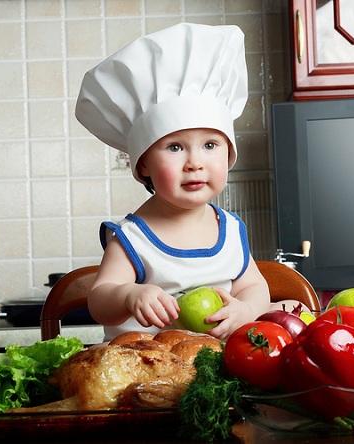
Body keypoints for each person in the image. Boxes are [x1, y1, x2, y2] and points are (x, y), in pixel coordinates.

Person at [75, 23, 270, 341]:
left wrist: (246, 310)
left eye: (210, 145)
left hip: (212, 375)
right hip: (141, 373)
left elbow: (254, 286)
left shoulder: (231, 230)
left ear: (229, 152)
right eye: (175, 147)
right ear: (144, 164)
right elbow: (99, 300)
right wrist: (128, 296)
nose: (195, 163)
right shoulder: (132, 238)